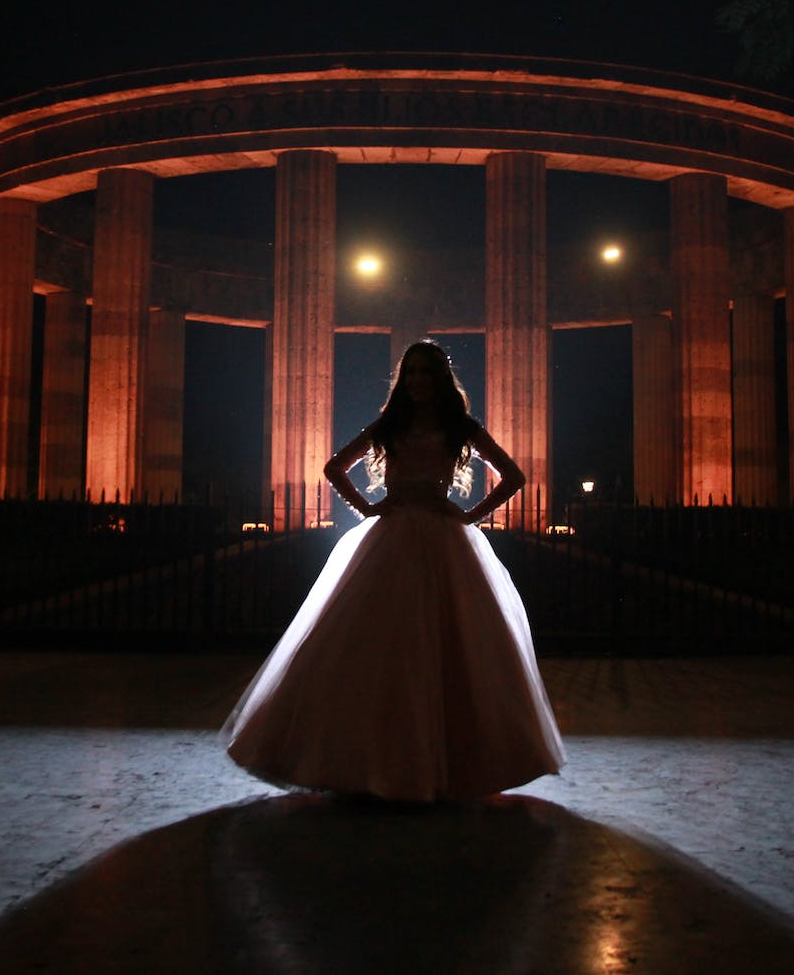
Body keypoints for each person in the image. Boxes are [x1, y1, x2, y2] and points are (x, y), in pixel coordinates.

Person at [221, 341, 566, 801]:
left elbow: (513, 476)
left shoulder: (459, 426)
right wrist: (370, 508)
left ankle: (440, 766)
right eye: (413, 372)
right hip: (393, 532)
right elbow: (334, 467)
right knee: (376, 643)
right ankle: (368, 763)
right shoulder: (390, 424)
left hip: (444, 534)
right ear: (405, 379)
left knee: (446, 644)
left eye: (426, 372)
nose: (419, 380)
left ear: (439, 379)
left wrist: (470, 515)